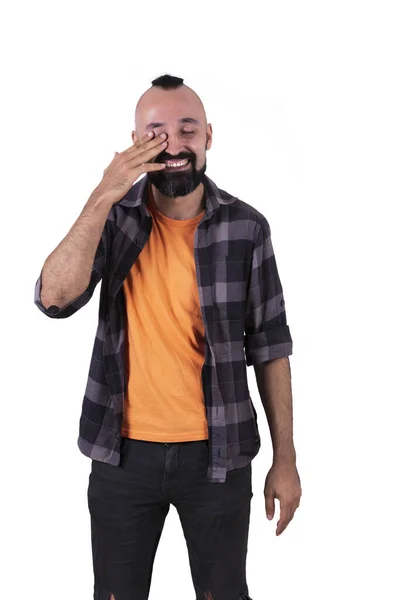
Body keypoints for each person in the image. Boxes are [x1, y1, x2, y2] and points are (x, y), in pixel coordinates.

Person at [34, 73, 302, 600]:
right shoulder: (112, 220)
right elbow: (53, 299)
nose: (174, 145)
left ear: (208, 136)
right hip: (121, 455)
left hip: (220, 457)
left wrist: (286, 460)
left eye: (187, 129)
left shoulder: (247, 228)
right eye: (157, 133)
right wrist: (103, 194)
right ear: (136, 142)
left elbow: (270, 349)